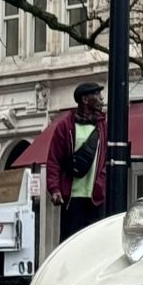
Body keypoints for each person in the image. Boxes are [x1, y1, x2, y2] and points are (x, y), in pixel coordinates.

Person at [44, 81, 108, 241]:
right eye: (97, 95)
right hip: (72, 200)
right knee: (71, 244)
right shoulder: (65, 127)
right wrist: (55, 189)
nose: (102, 99)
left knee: (95, 245)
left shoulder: (103, 126)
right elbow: (54, 160)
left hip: (96, 198)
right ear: (85, 100)